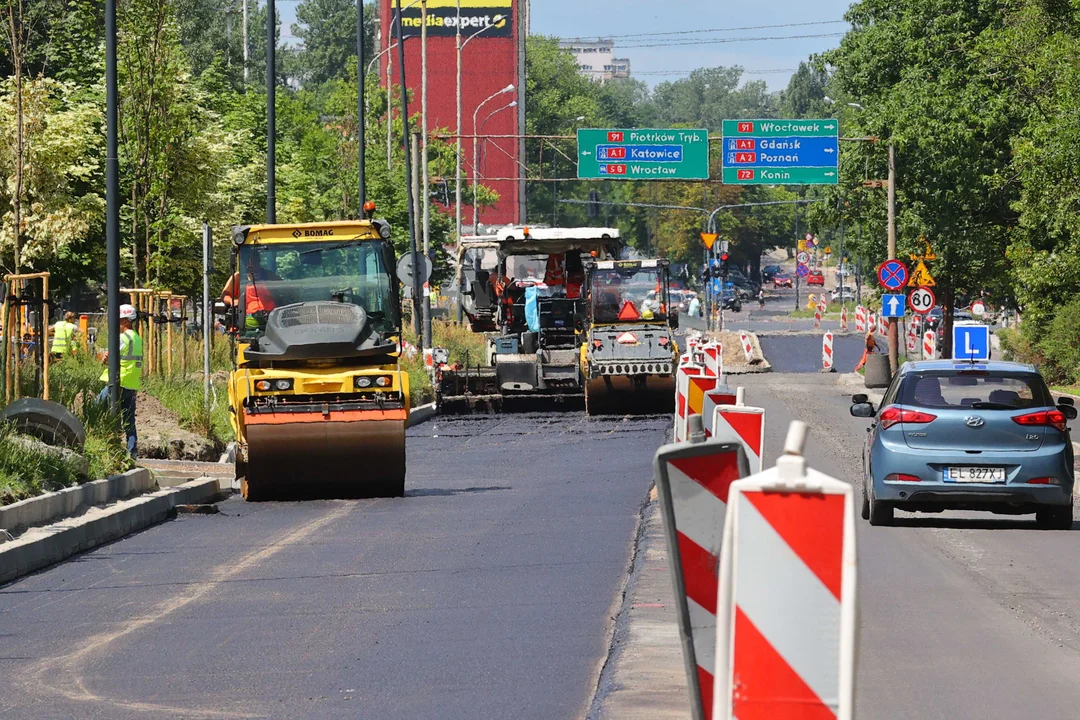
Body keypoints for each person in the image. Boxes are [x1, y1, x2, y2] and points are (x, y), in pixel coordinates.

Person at [98, 304, 142, 457]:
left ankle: (107, 448)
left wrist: (104, 357)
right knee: (129, 420)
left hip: (118, 382)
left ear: (125, 321)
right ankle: (132, 452)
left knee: (97, 409)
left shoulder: (122, 338)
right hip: (131, 384)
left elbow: (108, 357)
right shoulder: (137, 338)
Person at [221, 254, 279, 329]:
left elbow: (284, 290)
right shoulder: (238, 277)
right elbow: (224, 295)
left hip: (271, 316)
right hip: (247, 318)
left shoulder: (269, 275)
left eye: (254, 262)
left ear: (259, 261)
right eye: (248, 262)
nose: (251, 265)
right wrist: (233, 301)